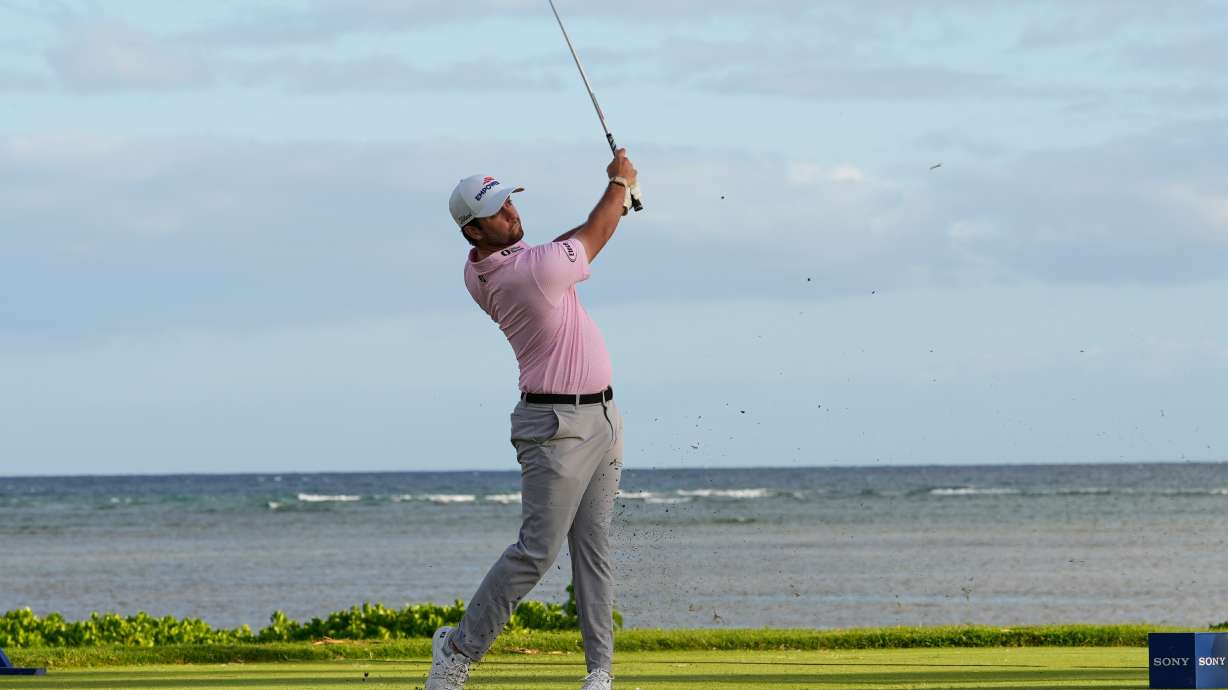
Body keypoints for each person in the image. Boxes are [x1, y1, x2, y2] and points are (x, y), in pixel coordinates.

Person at [424, 150, 639, 690]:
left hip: (603, 417)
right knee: (537, 551)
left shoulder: (490, 269)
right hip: (557, 428)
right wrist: (619, 182)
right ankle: (456, 653)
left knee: (594, 548)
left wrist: (613, 205)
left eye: (509, 200)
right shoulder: (531, 273)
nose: (511, 214)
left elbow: (568, 242)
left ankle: (599, 673)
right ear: (473, 231)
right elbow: (594, 232)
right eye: (496, 211)